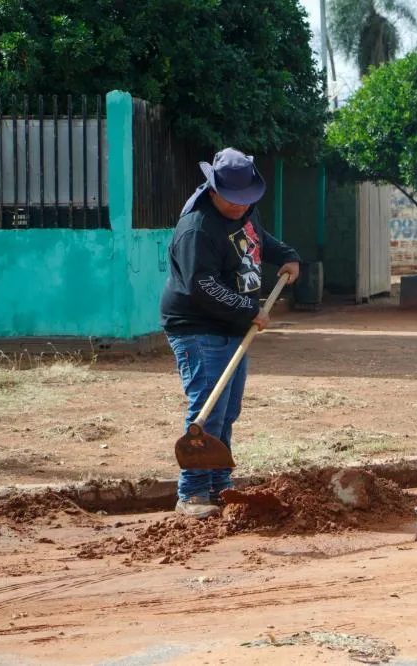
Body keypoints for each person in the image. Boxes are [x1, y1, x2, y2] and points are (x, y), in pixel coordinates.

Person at [160, 148, 300, 519]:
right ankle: (191, 494)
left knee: (228, 410)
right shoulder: (197, 229)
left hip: (232, 328)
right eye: (235, 201)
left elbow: (258, 240)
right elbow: (201, 285)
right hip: (198, 328)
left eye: (247, 200)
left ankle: (220, 487)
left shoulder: (243, 211)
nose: (242, 207)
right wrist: (248, 309)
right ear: (214, 189)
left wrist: (287, 255)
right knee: (207, 410)